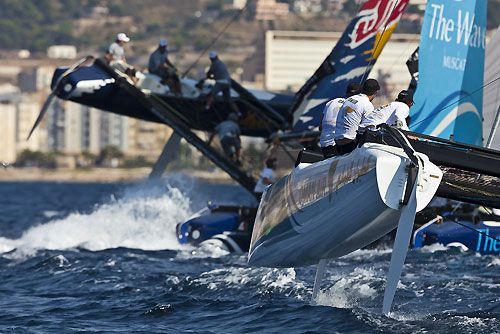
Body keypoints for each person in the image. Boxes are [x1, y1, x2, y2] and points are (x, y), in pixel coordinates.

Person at [334, 78, 380, 155]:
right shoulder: (367, 105)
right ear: (375, 93)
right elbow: (370, 127)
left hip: (337, 144)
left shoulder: (350, 99)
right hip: (349, 145)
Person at [319, 82, 361, 159]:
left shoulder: (331, 102)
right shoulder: (352, 106)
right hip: (336, 146)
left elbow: (320, 127)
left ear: (346, 93)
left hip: (323, 145)